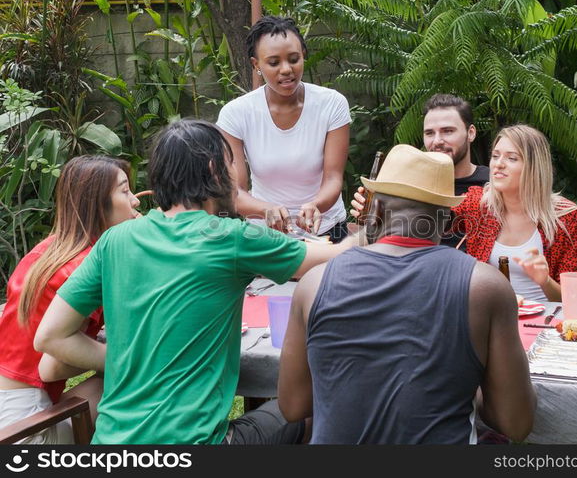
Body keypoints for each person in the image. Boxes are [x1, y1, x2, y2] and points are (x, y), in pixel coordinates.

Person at [34, 119, 365, 444]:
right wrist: (381, 220)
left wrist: (127, 359)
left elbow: (50, 336)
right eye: (232, 166)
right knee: (306, 404)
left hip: (111, 445)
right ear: (213, 170)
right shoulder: (230, 236)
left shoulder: (114, 240)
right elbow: (335, 256)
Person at [278, 144, 536, 444]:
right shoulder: (485, 286)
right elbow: (516, 422)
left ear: (375, 213)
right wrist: (468, 388)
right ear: (445, 222)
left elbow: (293, 406)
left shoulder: (314, 283)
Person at [0, 156, 140, 443]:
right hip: (24, 430)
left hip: (10, 410)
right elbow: (52, 367)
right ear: (98, 204)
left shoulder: (50, 251)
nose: (136, 202)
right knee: (138, 377)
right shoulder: (87, 266)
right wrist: (133, 357)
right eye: (125, 191)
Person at [217, 16, 351, 242]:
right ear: (256, 65)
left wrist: (315, 205)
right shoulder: (236, 114)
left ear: (303, 56)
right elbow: (236, 191)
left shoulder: (332, 104)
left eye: (293, 59)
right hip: (267, 235)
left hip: (326, 230)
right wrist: (265, 210)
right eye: (274, 62)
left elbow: (333, 178)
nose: (286, 69)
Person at [451, 124, 577, 302]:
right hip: (489, 319)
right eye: (495, 156)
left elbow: (574, 300)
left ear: (534, 167)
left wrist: (545, 281)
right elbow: (431, 216)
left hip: (543, 322)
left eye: (512, 158)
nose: (498, 164)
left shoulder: (565, 217)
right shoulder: (478, 204)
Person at [351, 94, 488, 249]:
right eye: (429, 133)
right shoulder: (405, 186)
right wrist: (373, 218)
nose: (437, 141)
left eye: (448, 131)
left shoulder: (492, 184)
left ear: (471, 133)